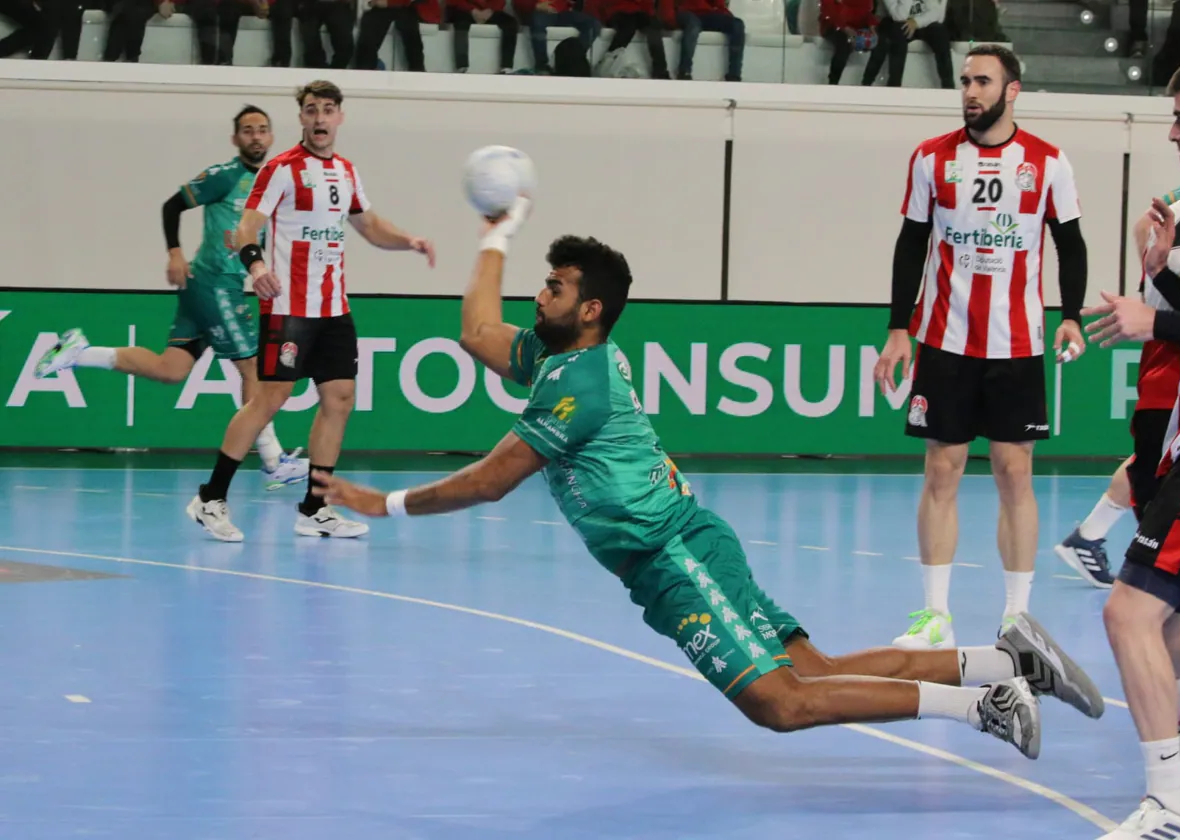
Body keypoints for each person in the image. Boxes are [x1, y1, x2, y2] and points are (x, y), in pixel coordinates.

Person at [310, 194, 1106, 759]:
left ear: (590, 310)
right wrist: (496, 231)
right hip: (675, 555)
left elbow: (489, 481)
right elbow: (477, 329)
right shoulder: (554, 355)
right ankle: (1011, 662)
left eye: (555, 285)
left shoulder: (578, 381)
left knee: (780, 703)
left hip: (674, 555)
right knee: (817, 673)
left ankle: (981, 706)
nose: (539, 291)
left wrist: (386, 503)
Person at [874, 43, 1089, 649]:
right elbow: (910, 243)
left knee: (1013, 471)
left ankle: (1017, 616)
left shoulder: (1048, 163)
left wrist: (1070, 316)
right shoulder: (931, 159)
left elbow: (1070, 243)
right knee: (942, 469)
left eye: (983, 81)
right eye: (965, 81)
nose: (970, 92)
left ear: (1012, 89)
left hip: (1017, 342)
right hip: (945, 340)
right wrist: (898, 327)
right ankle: (934, 616)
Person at [186, 80, 435, 543]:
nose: (320, 119)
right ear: (301, 118)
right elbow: (245, 229)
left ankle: (315, 508)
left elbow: (370, 226)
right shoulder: (281, 169)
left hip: (334, 306)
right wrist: (256, 265)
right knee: (269, 400)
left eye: (328, 110)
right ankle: (210, 497)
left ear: (340, 116)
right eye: (311, 110)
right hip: (288, 307)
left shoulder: (346, 171)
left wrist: (410, 242)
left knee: (339, 399)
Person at [34, 105, 309, 492]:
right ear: (236, 139)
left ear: (271, 136)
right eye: (247, 130)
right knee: (251, 370)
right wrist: (175, 253)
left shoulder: (272, 182)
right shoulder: (224, 177)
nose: (256, 137)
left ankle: (79, 352)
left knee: (170, 370)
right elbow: (171, 205)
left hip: (217, 286)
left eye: (262, 130)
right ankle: (271, 459)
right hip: (215, 283)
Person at [1081, 55, 1180, 839]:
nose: (1172, 132)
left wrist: (1154, 320)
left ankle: (1169, 808)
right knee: (1155, 622)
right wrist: (1155, 281)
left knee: (1129, 614)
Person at [1056, 175, 1180, 590]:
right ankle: (1103, 543)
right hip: (1174, 351)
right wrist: (1155, 280)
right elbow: (1143, 226)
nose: (1175, 135)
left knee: (1156, 466)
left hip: (1171, 339)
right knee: (1160, 468)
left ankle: (1092, 537)